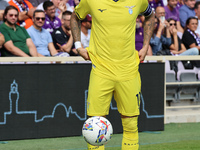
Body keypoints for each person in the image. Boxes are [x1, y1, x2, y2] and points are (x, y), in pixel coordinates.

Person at [70, 0, 155, 149]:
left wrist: (146, 44)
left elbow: (150, 15)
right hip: (101, 69)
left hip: (128, 70)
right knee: (95, 125)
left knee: (130, 125)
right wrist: (78, 46)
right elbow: (75, 17)